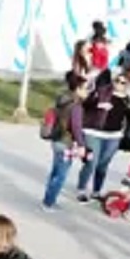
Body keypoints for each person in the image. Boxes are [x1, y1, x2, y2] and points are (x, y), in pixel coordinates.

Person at [74, 72, 130, 203]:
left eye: (123, 82)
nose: (118, 84)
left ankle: (96, 191)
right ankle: (81, 189)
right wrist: (98, 105)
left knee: (103, 165)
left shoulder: (128, 100)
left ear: (128, 85)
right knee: (91, 162)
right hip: (94, 132)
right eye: (117, 81)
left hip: (113, 136)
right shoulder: (102, 93)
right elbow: (86, 105)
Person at [41, 72, 86, 210]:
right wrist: (82, 144)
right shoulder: (76, 106)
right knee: (61, 175)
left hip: (56, 139)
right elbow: (76, 127)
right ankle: (49, 202)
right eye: (85, 88)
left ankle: (48, 198)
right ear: (78, 89)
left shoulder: (62, 99)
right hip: (66, 141)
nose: (87, 91)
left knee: (55, 170)